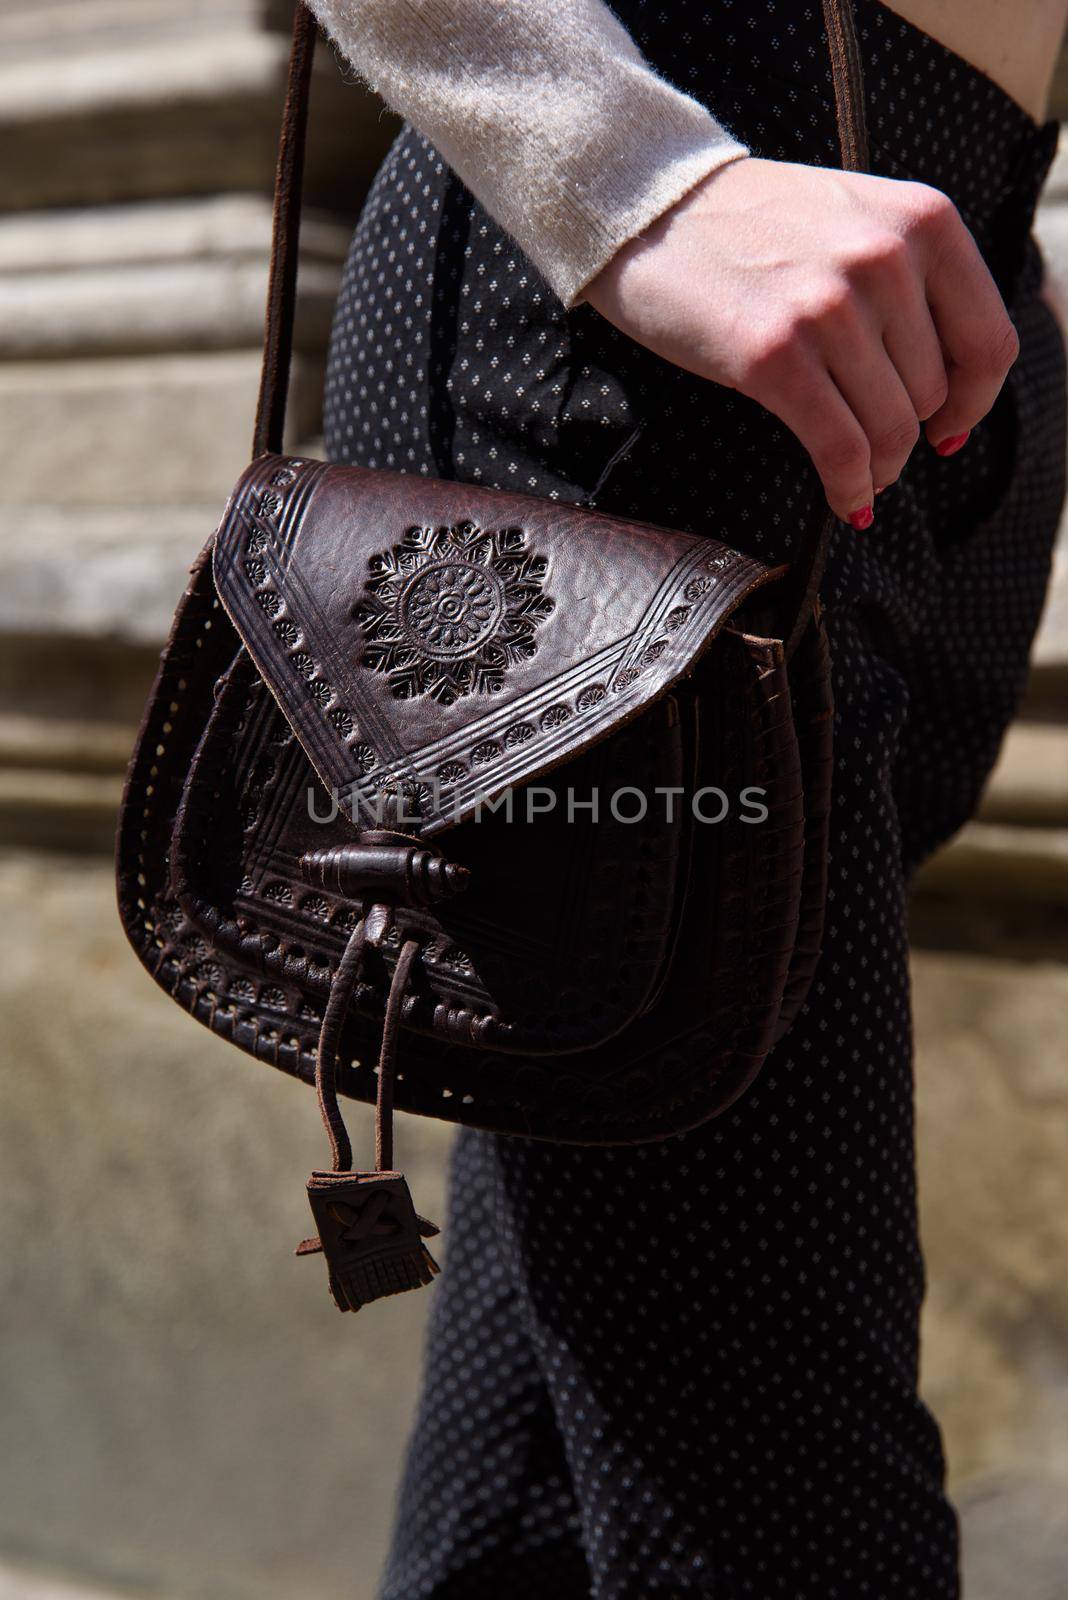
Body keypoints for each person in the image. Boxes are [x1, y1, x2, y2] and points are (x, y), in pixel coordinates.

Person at [305, 1, 1068, 1594]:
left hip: (933, 294)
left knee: (556, 1489)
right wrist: (638, 179)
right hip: (659, 287)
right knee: (790, 1492)